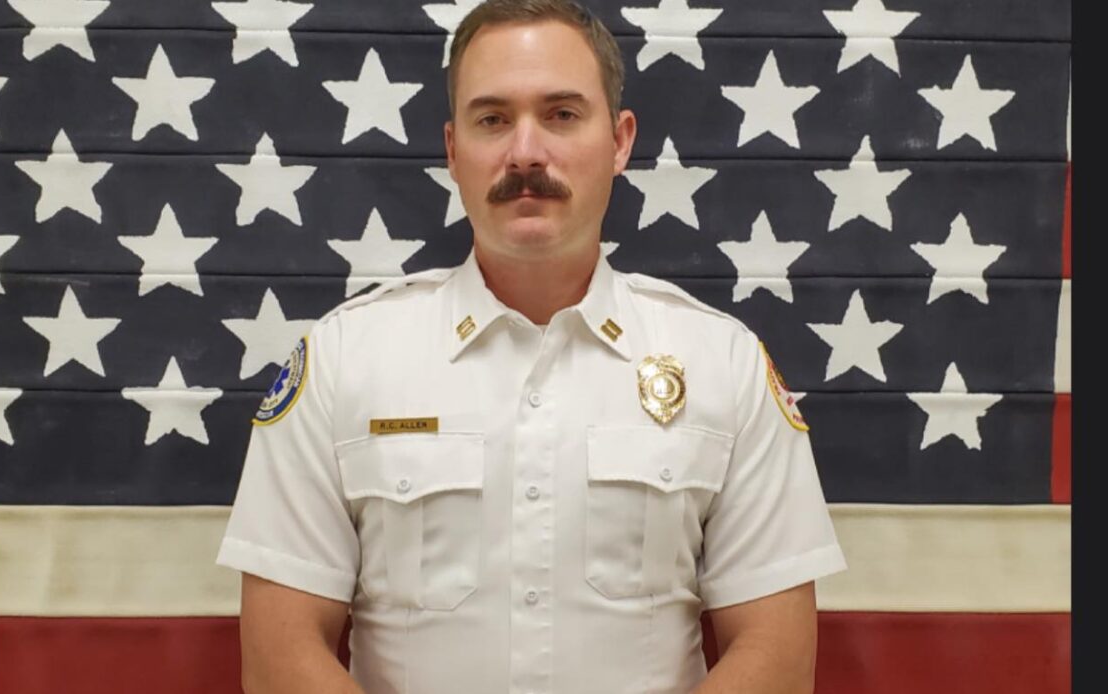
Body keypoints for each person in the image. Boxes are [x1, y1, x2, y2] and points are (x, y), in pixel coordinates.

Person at [215, 1, 847, 692]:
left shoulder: (723, 364)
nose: (525, 152)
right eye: (492, 120)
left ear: (620, 141)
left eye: (561, 114)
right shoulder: (344, 361)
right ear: (453, 150)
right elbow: (280, 657)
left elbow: (777, 655)